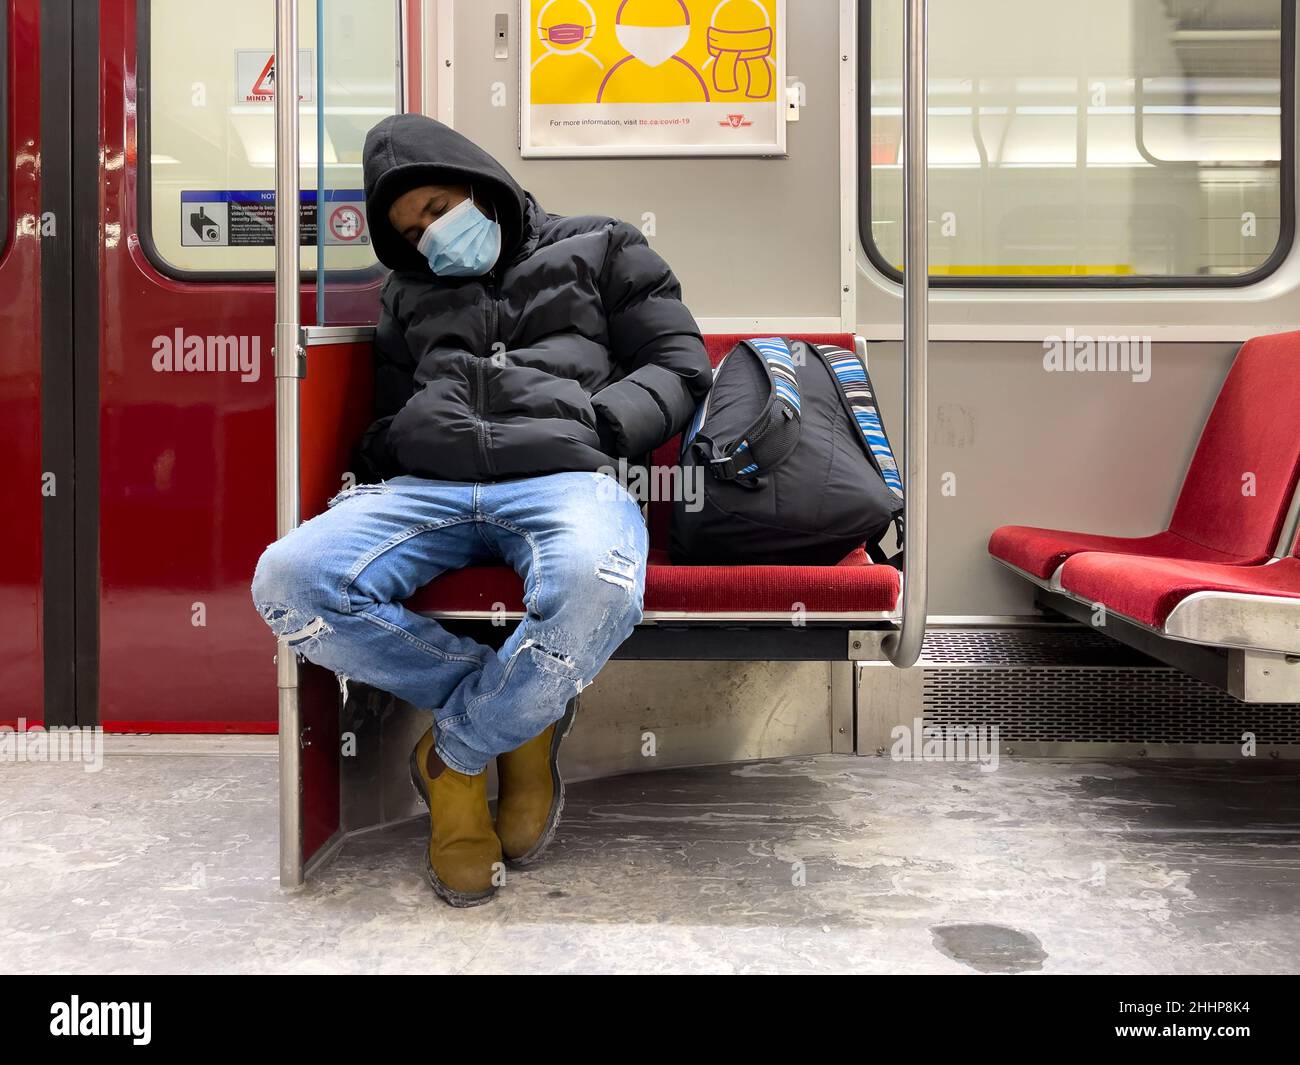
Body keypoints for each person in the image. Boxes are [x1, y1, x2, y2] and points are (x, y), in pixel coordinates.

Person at [250, 113, 711, 907]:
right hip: (430, 489)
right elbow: (390, 408)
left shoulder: (602, 246)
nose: (431, 236)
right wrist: (398, 442)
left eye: (435, 209)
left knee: (597, 586)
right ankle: (517, 716)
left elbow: (680, 365)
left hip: (564, 478)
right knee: (287, 580)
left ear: (478, 184)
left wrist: (599, 425)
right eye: (412, 231)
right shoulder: (408, 293)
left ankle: (454, 758)